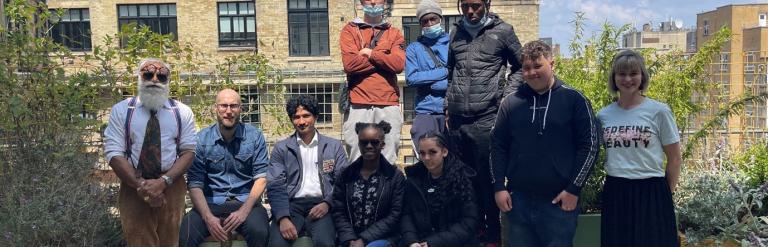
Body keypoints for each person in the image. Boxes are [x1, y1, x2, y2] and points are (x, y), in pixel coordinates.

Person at [490, 40, 600, 247]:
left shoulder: (574, 100)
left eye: (537, 66)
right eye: (526, 68)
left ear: (552, 64)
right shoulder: (510, 103)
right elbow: (497, 146)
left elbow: (590, 146)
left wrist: (574, 189)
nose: (532, 72)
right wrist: (498, 186)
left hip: (559, 201)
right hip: (517, 201)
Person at [445, 0, 524, 244]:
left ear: (487, 4)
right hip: (457, 120)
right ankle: (473, 231)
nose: (471, 11)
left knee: (488, 180)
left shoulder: (503, 31)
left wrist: (505, 97)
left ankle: (493, 235)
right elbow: (451, 71)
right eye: (466, 5)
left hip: (486, 117)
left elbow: (520, 67)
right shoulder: (455, 32)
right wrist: (448, 104)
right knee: (464, 181)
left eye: (476, 5)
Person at [103, 58, 197, 247]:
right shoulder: (122, 111)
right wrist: (141, 185)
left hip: (172, 184)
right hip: (133, 184)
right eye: (148, 74)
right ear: (139, 77)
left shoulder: (182, 112)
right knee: (138, 239)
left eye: (161, 76)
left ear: (168, 81)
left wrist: (164, 182)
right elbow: (113, 153)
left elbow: (188, 151)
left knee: (170, 241)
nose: (154, 79)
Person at [598, 50, 682, 247]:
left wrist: (663, 195)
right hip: (616, 191)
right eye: (622, 74)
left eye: (633, 73)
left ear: (642, 76)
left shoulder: (659, 111)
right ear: (614, 78)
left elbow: (675, 159)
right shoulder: (603, 116)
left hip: (651, 190)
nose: (628, 79)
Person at [179, 89, 270, 247]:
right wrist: (208, 218)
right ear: (216, 108)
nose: (228, 111)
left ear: (240, 109)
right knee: (186, 234)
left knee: (260, 232)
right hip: (211, 204)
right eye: (223, 106)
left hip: (246, 203)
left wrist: (243, 212)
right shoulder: (200, 140)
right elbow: (194, 184)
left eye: (234, 106)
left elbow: (261, 178)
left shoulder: (255, 136)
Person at [267, 95, 349, 247]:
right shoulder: (282, 148)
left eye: (306, 116)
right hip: (291, 205)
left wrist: (328, 203)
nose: (301, 121)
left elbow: (343, 181)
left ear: (316, 116)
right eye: (296, 117)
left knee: (325, 242)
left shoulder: (333, 146)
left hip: (322, 204)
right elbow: (275, 185)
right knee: (277, 243)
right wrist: (283, 217)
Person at [340, 0, 405, 164]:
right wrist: (384, 57)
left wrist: (370, 53)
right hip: (358, 104)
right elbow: (350, 65)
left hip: (388, 103)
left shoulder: (395, 32)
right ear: (362, 2)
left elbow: (398, 64)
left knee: (388, 159)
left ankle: (387, 190)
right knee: (357, 158)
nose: (374, 2)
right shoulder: (350, 30)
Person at [332, 121, 405, 247]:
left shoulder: (394, 176)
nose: (369, 146)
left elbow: (395, 215)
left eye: (374, 142)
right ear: (359, 144)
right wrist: (350, 239)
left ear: (382, 144)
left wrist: (364, 240)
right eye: (364, 142)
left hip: (384, 238)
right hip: (350, 238)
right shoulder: (346, 175)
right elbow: (339, 210)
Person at [401, 131, 479, 247]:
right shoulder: (413, 181)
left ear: (444, 152)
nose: (426, 158)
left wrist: (433, 243)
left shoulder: (463, 179)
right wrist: (412, 241)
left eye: (432, 152)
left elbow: (468, 222)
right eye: (422, 153)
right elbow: (406, 215)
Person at [405, 0, 449, 152]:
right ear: (421, 25)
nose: (430, 24)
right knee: (426, 156)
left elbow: (459, 75)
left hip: (450, 110)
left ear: (440, 20)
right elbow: (411, 78)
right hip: (425, 111)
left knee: (452, 158)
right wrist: (443, 72)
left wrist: (434, 82)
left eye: (433, 19)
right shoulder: (413, 49)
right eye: (425, 21)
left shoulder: (453, 44)